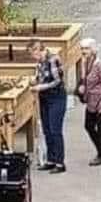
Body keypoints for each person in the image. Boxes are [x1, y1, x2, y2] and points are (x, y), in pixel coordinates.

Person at [28, 38, 67, 174]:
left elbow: (57, 81)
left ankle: (60, 162)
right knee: (47, 129)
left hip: (56, 97)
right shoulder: (39, 63)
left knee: (55, 129)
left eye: (33, 53)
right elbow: (41, 76)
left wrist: (41, 87)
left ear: (38, 50)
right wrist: (34, 81)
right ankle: (50, 160)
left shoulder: (53, 59)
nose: (33, 57)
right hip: (44, 97)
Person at [78, 37, 101, 167]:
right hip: (91, 102)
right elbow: (84, 80)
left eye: (86, 48)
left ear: (93, 50)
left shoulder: (100, 65)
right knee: (88, 126)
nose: (83, 51)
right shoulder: (86, 63)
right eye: (82, 48)